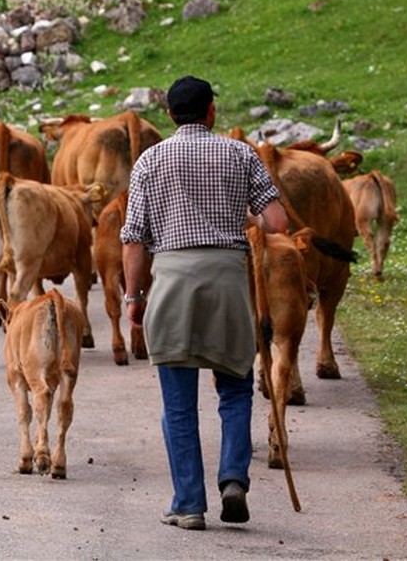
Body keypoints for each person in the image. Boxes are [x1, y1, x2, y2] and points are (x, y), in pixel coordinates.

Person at [120, 75, 289, 531]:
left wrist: (134, 297)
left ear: (171, 115)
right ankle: (233, 478)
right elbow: (276, 221)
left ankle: (189, 504)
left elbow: (134, 239)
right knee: (234, 389)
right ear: (212, 111)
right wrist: (241, 209)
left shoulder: (150, 161)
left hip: (173, 280)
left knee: (178, 404)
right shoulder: (239, 154)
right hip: (229, 281)